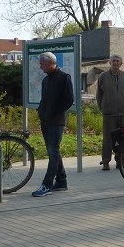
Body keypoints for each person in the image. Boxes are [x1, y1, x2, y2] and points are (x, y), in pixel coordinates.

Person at [32, 52, 74, 197]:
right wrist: (41, 112)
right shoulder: (46, 80)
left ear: (50, 63)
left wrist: (54, 112)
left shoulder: (64, 78)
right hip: (46, 121)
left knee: (53, 152)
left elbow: (69, 100)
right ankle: (62, 181)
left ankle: (47, 184)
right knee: (54, 151)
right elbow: (44, 100)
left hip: (56, 122)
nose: (40, 66)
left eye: (42, 63)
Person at [96, 54, 124, 171]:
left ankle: (121, 162)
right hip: (109, 113)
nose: (115, 63)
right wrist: (103, 108)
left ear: (121, 64)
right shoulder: (103, 76)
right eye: (113, 61)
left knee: (122, 138)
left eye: (117, 61)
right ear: (110, 63)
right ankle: (105, 162)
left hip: (123, 113)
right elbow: (99, 95)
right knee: (108, 139)